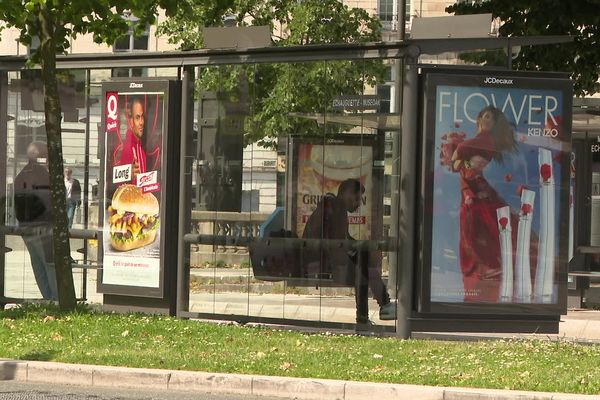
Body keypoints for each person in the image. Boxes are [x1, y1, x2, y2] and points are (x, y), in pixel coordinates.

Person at [450, 105, 538, 302]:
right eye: (487, 116)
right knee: (480, 237)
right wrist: (462, 162)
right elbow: (456, 164)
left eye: (492, 119)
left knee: (476, 238)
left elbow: (459, 154)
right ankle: (486, 281)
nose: (489, 121)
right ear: (480, 117)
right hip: (473, 191)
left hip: (476, 193)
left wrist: (461, 160)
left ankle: (485, 284)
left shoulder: (485, 139)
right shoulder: (483, 141)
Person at [302, 178, 395, 324]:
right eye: (357, 198)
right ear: (347, 193)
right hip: (321, 262)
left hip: (317, 259)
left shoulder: (332, 205)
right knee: (364, 268)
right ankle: (381, 307)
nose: (358, 204)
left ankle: (376, 309)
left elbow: (343, 239)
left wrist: (362, 247)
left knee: (363, 264)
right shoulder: (336, 206)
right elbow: (340, 243)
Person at [14, 141, 57, 300]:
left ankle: (48, 297)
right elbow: (51, 201)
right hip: (42, 227)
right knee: (50, 264)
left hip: (26, 227)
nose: (48, 160)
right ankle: (55, 299)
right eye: (46, 156)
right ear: (39, 157)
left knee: (37, 264)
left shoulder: (21, 175)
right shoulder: (43, 175)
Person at [119, 96, 147, 182]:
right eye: (137, 118)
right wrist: (130, 175)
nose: (141, 122)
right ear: (131, 122)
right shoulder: (127, 148)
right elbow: (118, 182)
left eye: (142, 117)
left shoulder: (140, 148)